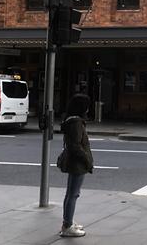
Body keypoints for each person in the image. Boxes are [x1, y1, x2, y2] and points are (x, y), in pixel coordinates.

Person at [59, 94, 94, 237]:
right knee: (73, 194)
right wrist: (87, 159)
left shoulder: (72, 121)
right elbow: (75, 145)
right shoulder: (76, 123)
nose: (88, 109)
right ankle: (67, 226)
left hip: (75, 162)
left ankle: (68, 221)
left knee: (71, 193)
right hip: (77, 163)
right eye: (86, 106)